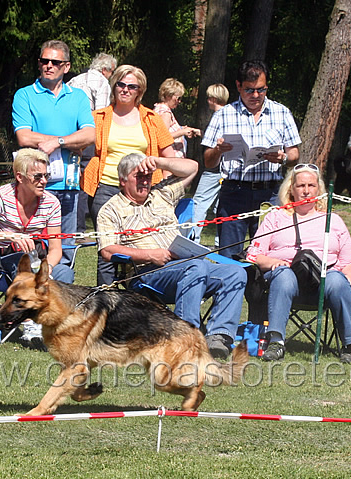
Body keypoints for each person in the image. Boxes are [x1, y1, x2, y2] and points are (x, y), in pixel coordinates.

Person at [97, 152, 247, 360]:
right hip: (148, 273)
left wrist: (158, 162)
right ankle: (186, 338)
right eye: (138, 176)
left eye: (147, 175)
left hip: (184, 265)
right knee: (196, 268)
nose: (145, 181)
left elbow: (193, 167)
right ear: (123, 180)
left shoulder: (162, 194)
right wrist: (150, 255)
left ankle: (219, 337)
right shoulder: (110, 210)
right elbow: (108, 250)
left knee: (235, 272)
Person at [246, 163, 351, 363]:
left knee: (337, 280)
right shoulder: (276, 217)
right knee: (284, 276)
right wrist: (274, 261)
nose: (306, 191)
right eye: (300, 186)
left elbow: (349, 261)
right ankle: (276, 342)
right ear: (291, 188)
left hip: (323, 280)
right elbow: (254, 254)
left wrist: (349, 278)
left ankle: (350, 345)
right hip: (287, 278)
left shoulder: (333, 220)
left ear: (319, 189)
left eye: (311, 185)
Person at [81, 65, 178, 285]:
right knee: (108, 251)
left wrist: (165, 189)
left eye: (131, 86)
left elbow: (169, 157)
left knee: (142, 243)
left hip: (143, 189)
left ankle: (139, 298)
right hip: (106, 187)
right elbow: (80, 146)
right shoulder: (98, 117)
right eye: (120, 84)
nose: (125, 90)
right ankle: (105, 304)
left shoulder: (152, 119)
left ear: (139, 91)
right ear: (114, 86)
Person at [0, 148, 74, 349]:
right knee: (22, 262)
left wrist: (49, 270)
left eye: (46, 176)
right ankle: (31, 326)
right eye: (37, 176)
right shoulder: (0, 196)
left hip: (34, 264)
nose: (44, 181)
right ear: (20, 177)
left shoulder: (51, 202)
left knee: (65, 272)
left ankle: (55, 326)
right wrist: (11, 236)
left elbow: (55, 249)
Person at [202, 60, 301, 259]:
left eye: (261, 90)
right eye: (249, 90)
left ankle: (263, 290)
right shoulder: (224, 115)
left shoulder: (281, 113)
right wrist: (218, 150)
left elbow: (294, 155)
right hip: (234, 193)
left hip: (270, 192)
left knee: (272, 254)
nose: (256, 96)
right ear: (238, 86)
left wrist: (282, 158)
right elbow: (208, 162)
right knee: (229, 255)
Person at [12, 40, 96, 267]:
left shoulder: (77, 97)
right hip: (34, 186)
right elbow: (24, 137)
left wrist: (57, 142)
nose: (49, 65)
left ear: (66, 67)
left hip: (67, 186)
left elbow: (89, 135)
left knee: (65, 251)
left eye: (55, 62)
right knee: (32, 253)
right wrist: (70, 141)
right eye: (44, 61)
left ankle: (62, 294)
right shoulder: (25, 95)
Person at [67, 52, 117, 236]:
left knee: (73, 179)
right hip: (88, 135)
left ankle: (74, 225)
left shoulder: (74, 80)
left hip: (71, 134)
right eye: (112, 72)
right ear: (105, 70)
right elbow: (101, 114)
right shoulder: (102, 82)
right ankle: (84, 227)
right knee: (88, 181)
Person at [190, 83, 229, 243]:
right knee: (222, 205)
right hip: (228, 168)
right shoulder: (231, 114)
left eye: (208, 98)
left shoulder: (218, 116)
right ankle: (221, 242)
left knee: (199, 201)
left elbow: (212, 144)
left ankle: (192, 238)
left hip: (215, 168)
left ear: (213, 99)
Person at [153, 78, 201, 157]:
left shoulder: (159, 108)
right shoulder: (165, 112)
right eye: (178, 98)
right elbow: (163, 137)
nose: (179, 101)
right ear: (168, 95)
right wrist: (182, 132)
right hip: (171, 159)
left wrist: (181, 128)